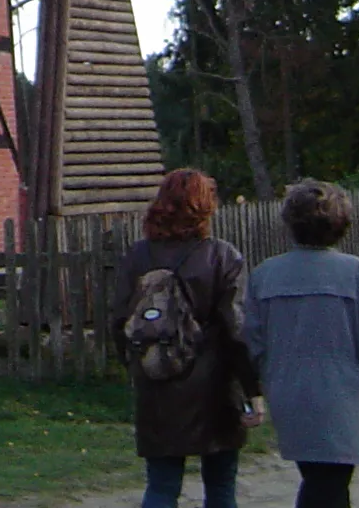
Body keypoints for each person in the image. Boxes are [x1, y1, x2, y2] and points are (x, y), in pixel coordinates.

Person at [110, 169, 262, 508]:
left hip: (158, 381)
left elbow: (121, 319)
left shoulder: (138, 256)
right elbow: (236, 329)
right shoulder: (222, 256)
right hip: (216, 388)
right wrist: (253, 390)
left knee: (162, 487)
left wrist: (136, 365)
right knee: (221, 486)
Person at [247, 181, 359, 508]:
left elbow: (255, 343)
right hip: (344, 394)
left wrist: (265, 381)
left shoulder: (266, 275)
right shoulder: (356, 273)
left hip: (289, 393)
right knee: (328, 486)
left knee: (323, 483)